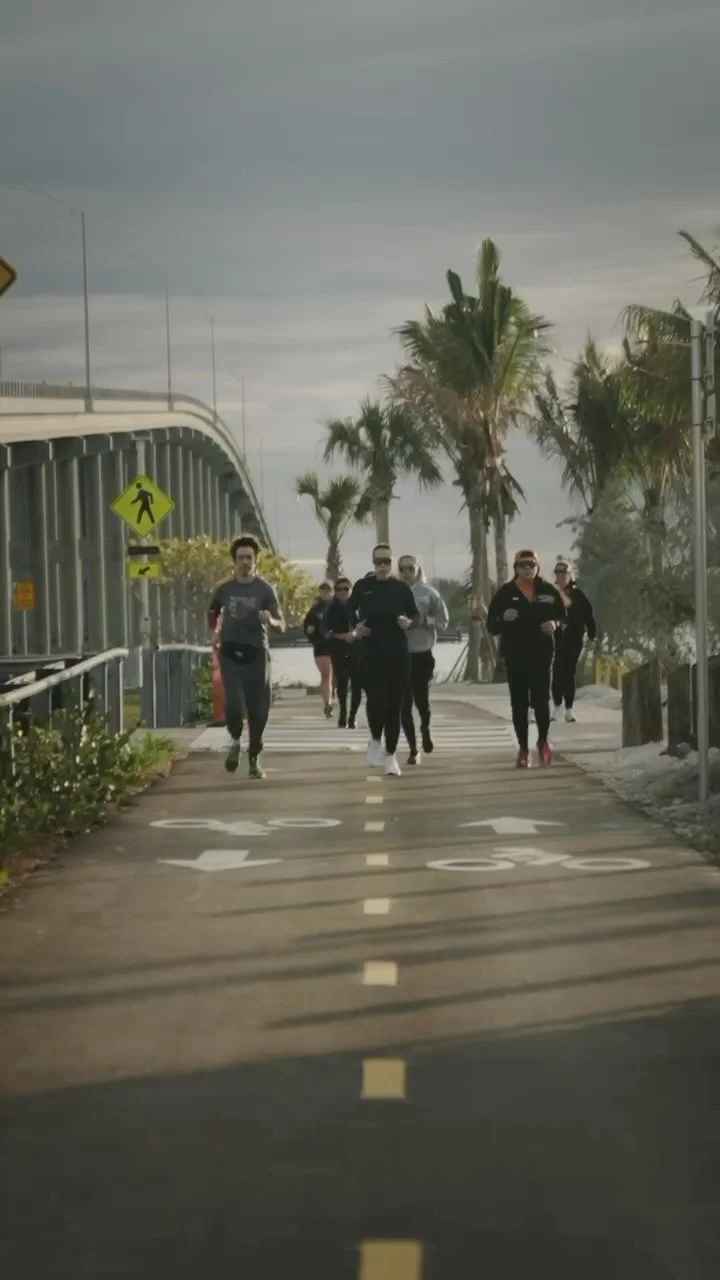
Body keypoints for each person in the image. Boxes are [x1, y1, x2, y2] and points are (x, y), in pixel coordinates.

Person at [208, 534, 285, 779]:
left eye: (249, 557)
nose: (245, 562)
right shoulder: (224, 589)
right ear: (235, 560)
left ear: (255, 559)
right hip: (230, 652)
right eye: (240, 557)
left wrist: (270, 620)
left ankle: (254, 758)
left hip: (257, 654)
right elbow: (213, 612)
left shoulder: (265, 589)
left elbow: (281, 624)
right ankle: (234, 742)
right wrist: (215, 632)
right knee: (233, 705)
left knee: (259, 712)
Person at [487, 548, 566, 768]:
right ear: (516, 568)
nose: (528, 568)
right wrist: (503, 618)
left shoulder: (548, 590)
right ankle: (523, 749)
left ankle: (543, 741)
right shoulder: (506, 592)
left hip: (542, 653)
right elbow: (491, 625)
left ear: (537, 566)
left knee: (541, 701)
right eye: (523, 565)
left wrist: (555, 624)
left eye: (532, 564)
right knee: (519, 703)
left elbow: (564, 618)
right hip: (515, 655)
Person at [349, 544, 419, 776]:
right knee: (376, 700)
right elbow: (349, 610)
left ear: (391, 563)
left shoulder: (401, 588)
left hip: (397, 651)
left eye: (386, 562)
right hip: (370, 651)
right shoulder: (363, 586)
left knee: (395, 706)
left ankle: (390, 755)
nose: (382, 566)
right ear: (373, 563)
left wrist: (410, 623)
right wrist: (355, 626)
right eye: (378, 561)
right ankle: (375, 739)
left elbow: (415, 614)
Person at [397, 555, 449, 764]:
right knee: (404, 705)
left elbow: (443, 621)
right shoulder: (393, 593)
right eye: (402, 569)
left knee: (422, 702)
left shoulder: (429, 593)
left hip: (422, 654)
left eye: (410, 568)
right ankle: (413, 749)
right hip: (399, 656)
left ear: (418, 569)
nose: (406, 573)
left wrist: (423, 621)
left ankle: (425, 729)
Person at [551, 557, 597, 723]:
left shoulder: (578, 596)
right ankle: (557, 707)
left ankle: (569, 709)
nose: (561, 576)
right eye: (558, 574)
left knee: (569, 672)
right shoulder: (552, 595)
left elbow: (589, 616)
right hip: (556, 639)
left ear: (570, 575)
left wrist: (591, 636)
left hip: (574, 639)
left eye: (564, 573)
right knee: (557, 671)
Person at [324, 575, 364, 729]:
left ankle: (352, 716)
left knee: (357, 684)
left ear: (351, 590)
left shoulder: (359, 606)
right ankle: (343, 713)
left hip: (358, 649)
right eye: (339, 589)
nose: (342, 592)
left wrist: (356, 633)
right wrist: (342, 636)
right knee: (342, 683)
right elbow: (326, 632)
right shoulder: (331, 608)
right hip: (339, 650)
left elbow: (368, 623)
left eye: (346, 589)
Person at [303, 582, 336, 718]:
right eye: (322, 590)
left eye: (328, 590)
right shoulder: (315, 610)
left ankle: (334, 697)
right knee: (326, 675)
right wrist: (309, 631)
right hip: (321, 646)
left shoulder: (338, 606)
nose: (325, 592)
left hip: (337, 645)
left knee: (337, 675)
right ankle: (328, 702)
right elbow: (308, 626)